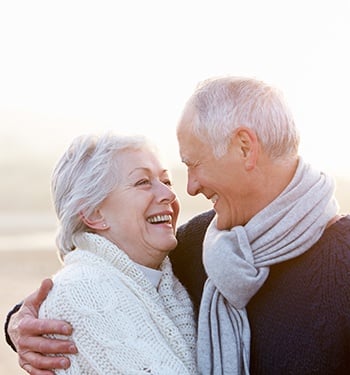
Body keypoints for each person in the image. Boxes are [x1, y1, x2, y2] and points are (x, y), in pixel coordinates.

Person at [5, 76, 350, 374]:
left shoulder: (343, 259)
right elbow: (104, 282)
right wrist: (19, 324)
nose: (189, 188)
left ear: (245, 148)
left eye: (193, 164)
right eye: (146, 181)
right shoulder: (200, 243)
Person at [4, 132, 197, 374]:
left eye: (167, 182)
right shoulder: (82, 289)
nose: (169, 195)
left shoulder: (164, 280)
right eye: (143, 182)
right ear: (94, 214)